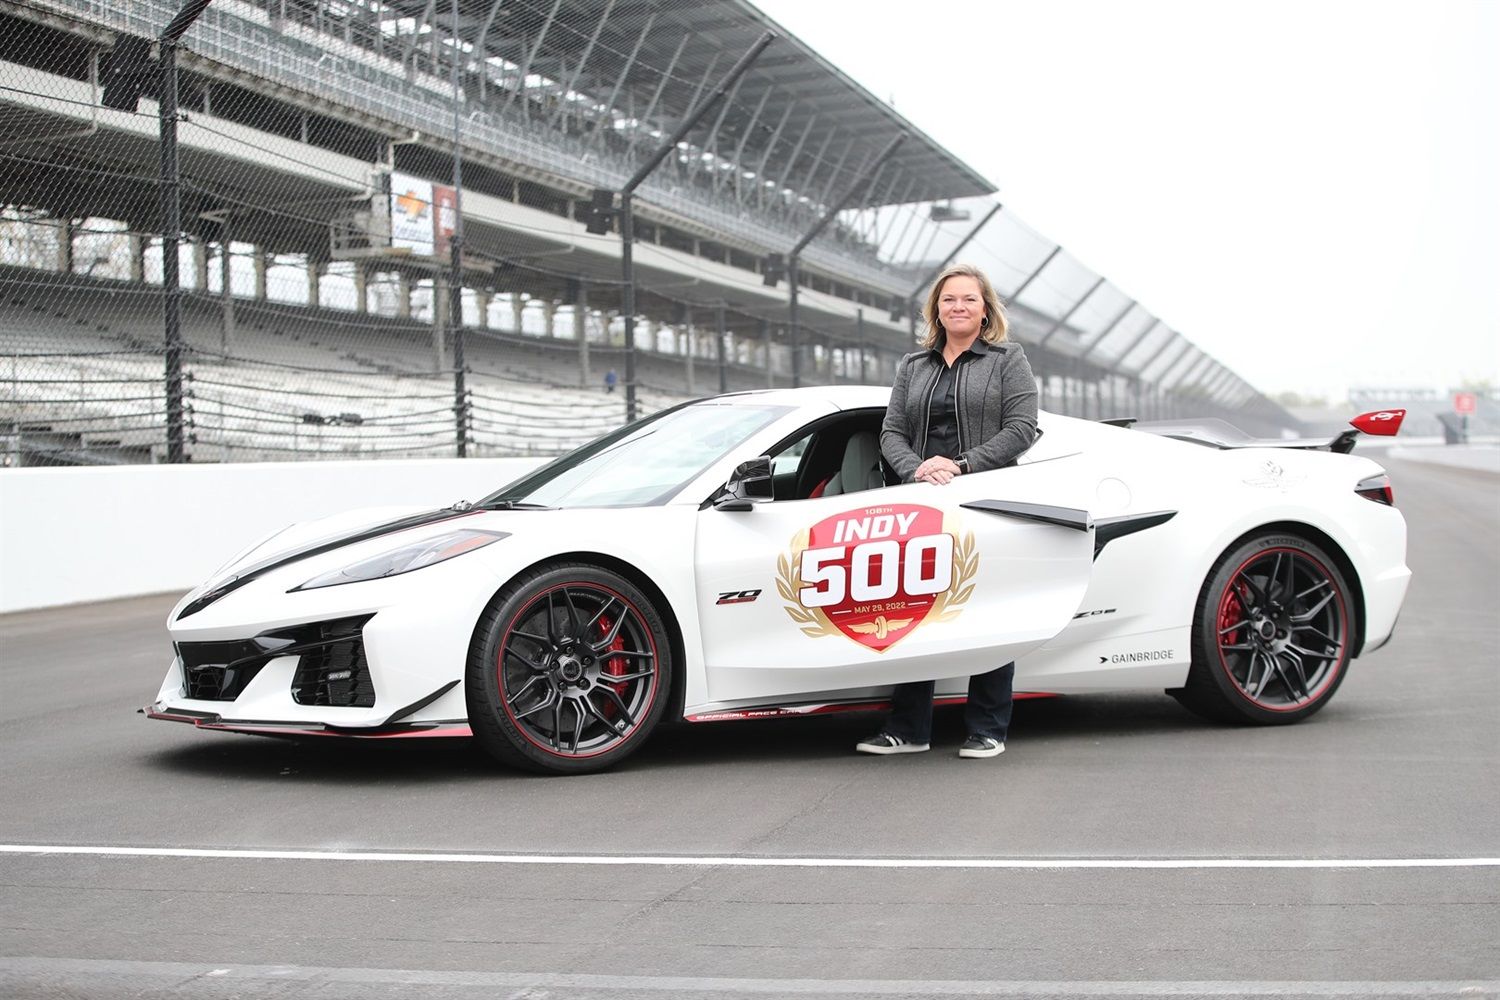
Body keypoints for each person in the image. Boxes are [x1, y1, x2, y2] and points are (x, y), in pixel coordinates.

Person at [856, 262, 1038, 760]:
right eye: (949, 299)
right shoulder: (913, 366)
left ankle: (987, 727)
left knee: (988, 609)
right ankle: (909, 729)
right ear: (936, 309)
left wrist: (959, 465)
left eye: (969, 300)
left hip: (984, 497)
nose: (958, 307)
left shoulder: (1008, 359)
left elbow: (1022, 428)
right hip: (920, 502)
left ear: (985, 311)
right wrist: (917, 470)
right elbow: (890, 431)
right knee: (914, 610)